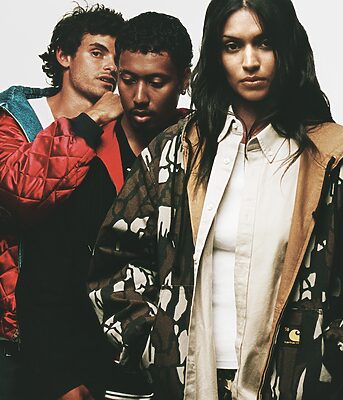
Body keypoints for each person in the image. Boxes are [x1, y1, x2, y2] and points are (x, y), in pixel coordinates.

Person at [88, 0, 343, 399]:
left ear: (287, 48)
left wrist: (334, 358)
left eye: (264, 43)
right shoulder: (176, 152)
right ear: (216, 56)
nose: (250, 62)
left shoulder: (337, 158)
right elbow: (115, 256)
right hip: (192, 386)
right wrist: (154, 343)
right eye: (233, 46)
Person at [0, 4, 124, 400]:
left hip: (90, 336)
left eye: (116, 57)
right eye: (97, 52)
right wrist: (90, 121)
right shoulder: (15, 119)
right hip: (15, 335)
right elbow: (21, 192)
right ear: (64, 56)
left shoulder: (123, 130)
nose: (110, 66)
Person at [99, 12, 193, 400]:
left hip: (186, 373)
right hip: (96, 371)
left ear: (185, 79)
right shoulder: (85, 153)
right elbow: (55, 273)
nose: (139, 96)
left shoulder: (210, 152)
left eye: (156, 82)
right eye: (128, 79)